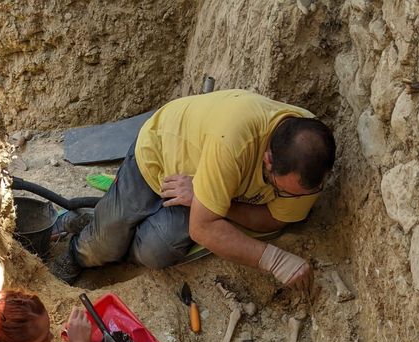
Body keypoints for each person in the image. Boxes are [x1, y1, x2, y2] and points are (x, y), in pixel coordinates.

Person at [51, 90, 335, 294]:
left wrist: (208, 198)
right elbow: (203, 229)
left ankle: (111, 231)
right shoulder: (234, 141)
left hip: (204, 189)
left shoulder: (309, 162)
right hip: (161, 152)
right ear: (268, 159)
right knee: (102, 243)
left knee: (156, 252)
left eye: (293, 194)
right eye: (277, 188)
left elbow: (273, 218)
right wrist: (276, 260)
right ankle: (78, 249)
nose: (288, 198)